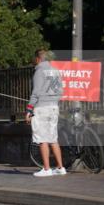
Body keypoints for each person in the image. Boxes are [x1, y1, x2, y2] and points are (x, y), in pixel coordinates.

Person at [27, 49, 66, 177]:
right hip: (54, 107)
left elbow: (36, 92)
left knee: (42, 139)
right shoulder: (55, 71)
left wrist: (29, 109)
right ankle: (60, 168)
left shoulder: (39, 71)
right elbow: (60, 90)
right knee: (53, 138)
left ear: (38, 59)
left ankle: (47, 168)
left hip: (42, 108)